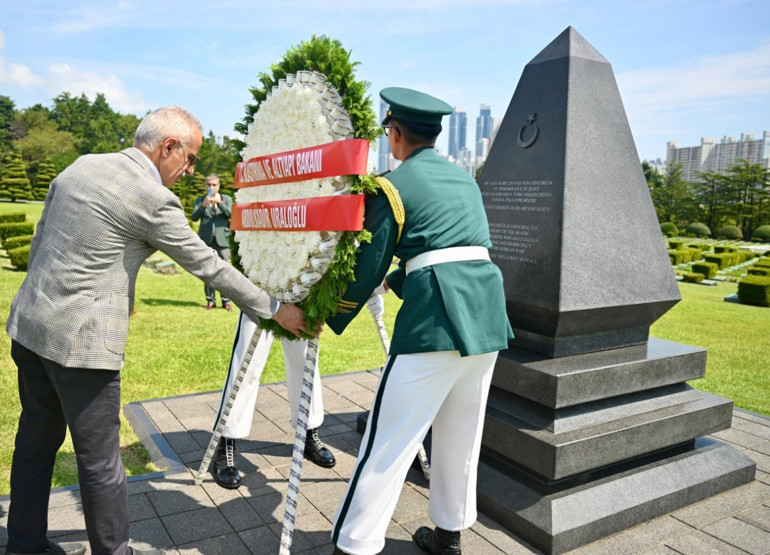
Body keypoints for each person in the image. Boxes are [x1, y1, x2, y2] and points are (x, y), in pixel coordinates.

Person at [4, 106, 314, 555]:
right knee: (101, 462)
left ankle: (23, 545)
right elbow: (207, 264)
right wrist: (276, 309)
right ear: (167, 147)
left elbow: (44, 240)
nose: (190, 171)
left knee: (35, 441)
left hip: (30, 326)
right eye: (188, 159)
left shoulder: (83, 164)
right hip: (81, 346)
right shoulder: (151, 198)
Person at [326, 88, 513, 555]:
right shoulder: (464, 179)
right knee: (462, 433)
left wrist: (329, 311)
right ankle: (450, 536)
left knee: (388, 441)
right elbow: (457, 250)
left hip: (434, 324)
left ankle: (353, 545)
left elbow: (368, 261)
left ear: (396, 132)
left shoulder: (393, 184)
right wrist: (398, 282)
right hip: (486, 318)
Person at [211, 312, 338, 489]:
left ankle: (308, 434)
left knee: (304, 361)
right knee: (247, 364)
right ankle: (226, 444)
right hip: (260, 291)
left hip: (300, 291)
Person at [191, 173, 234, 310]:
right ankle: (211, 301)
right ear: (205, 186)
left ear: (218, 186)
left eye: (214, 185)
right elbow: (194, 218)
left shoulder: (226, 199)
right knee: (208, 271)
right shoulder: (200, 200)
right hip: (206, 240)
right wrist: (203, 206)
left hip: (223, 240)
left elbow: (231, 215)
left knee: (224, 271)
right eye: (208, 185)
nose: (211, 187)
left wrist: (219, 203)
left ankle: (226, 301)